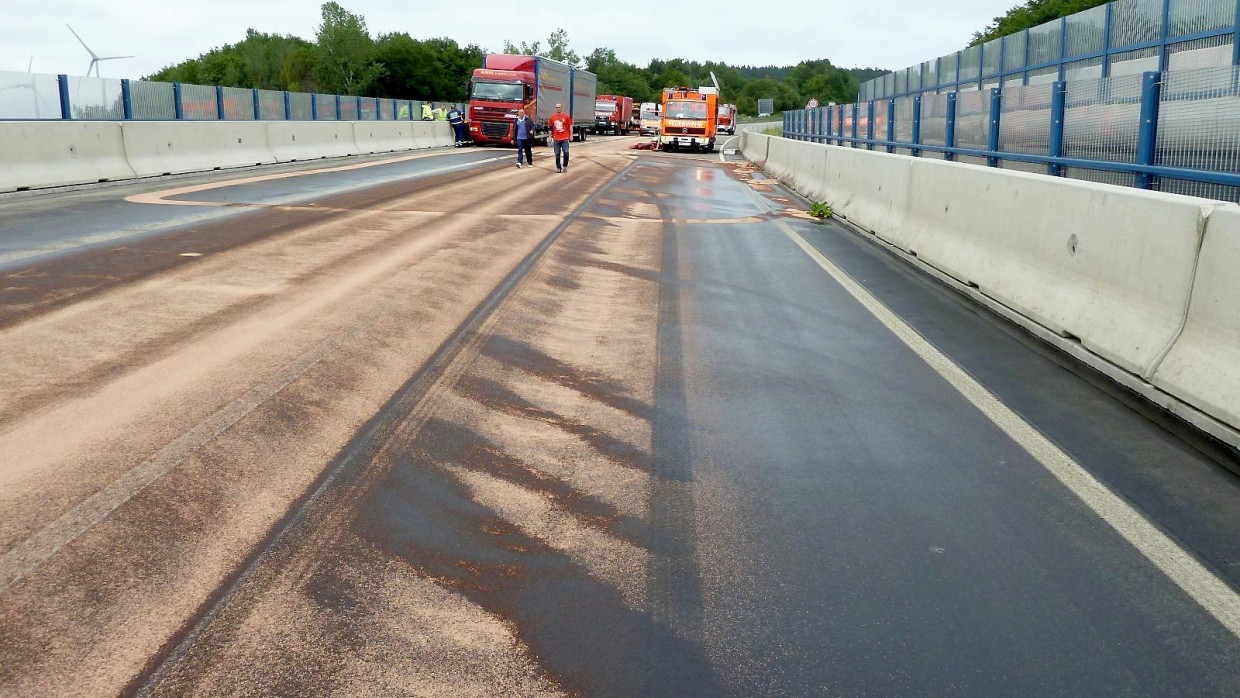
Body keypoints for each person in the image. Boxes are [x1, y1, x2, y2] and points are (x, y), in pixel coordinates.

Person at [549, 103, 573, 173]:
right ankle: (558, 167)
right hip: (556, 139)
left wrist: (571, 135)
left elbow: (570, 126)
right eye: (557, 107)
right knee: (557, 154)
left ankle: (565, 166)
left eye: (559, 107)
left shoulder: (566, 116)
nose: (558, 108)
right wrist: (550, 136)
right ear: (555, 108)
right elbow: (550, 128)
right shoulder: (552, 117)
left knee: (566, 152)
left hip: (565, 138)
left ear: (561, 108)